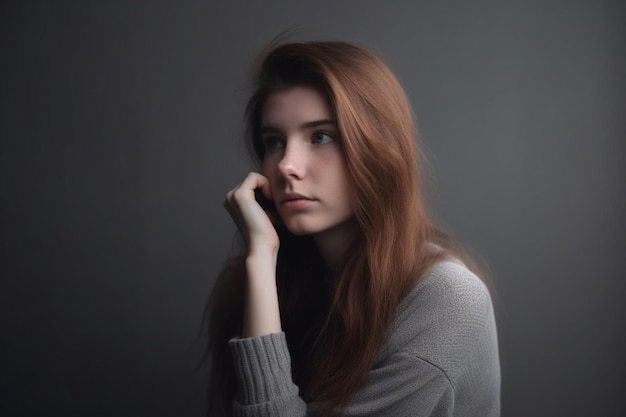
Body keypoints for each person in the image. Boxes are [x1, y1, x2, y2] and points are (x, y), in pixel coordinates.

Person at [206, 41, 500, 417]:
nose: (285, 166)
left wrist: (260, 261)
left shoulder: (446, 299)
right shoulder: (261, 285)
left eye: (321, 137)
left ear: (379, 152)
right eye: (274, 142)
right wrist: (259, 265)